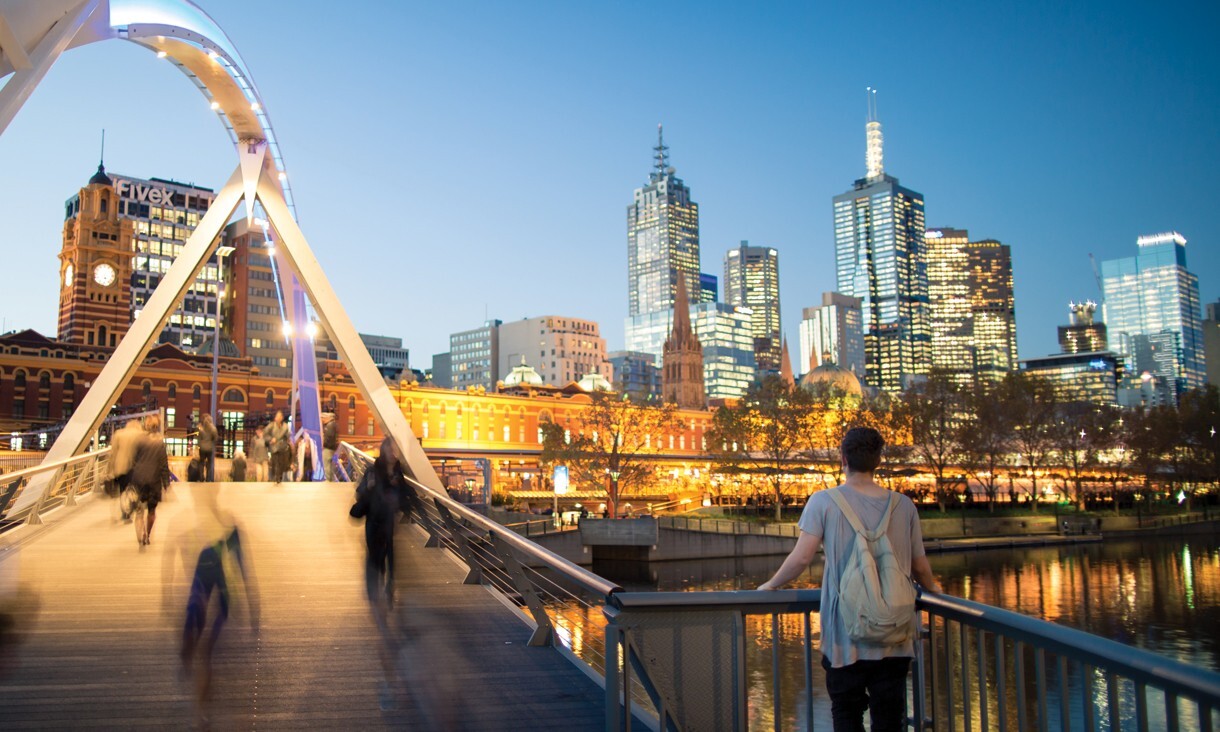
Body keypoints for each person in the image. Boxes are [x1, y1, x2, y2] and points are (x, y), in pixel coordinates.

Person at [759, 427, 939, 732]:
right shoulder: (904, 505)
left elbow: (801, 558)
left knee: (846, 714)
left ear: (843, 458)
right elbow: (920, 566)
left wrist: (770, 586)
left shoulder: (823, 502)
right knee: (890, 719)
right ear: (878, 460)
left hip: (845, 637)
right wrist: (936, 592)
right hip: (896, 634)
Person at [350, 437, 414, 706]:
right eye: (391, 448)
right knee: (376, 563)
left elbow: (410, 497)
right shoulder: (373, 471)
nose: (393, 452)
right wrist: (372, 489)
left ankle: (386, 592)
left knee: (389, 566)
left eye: (395, 449)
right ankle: (377, 590)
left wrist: (405, 504)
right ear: (384, 451)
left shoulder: (399, 473)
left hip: (390, 530)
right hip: (374, 527)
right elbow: (358, 500)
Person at [130, 414, 171, 547]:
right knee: (152, 511)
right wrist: (166, 484)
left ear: (146, 425)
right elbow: (164, 465)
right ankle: (147, 534)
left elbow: (133, 461)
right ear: (157, 426)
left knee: (139, 510)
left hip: (139, 479)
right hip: (154, 481)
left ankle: (140, 530)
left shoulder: (139, 440)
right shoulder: (160, 443)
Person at [108, 419, 145, 520]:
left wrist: (110, 469)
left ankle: (124, 511)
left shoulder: (119, 434)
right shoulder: (142, 435)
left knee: (122, 490)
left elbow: (113, 453)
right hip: (136, 467)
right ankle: (133, 502)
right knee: (135, 488)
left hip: (121, 467)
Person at [265, 411, 290, 485]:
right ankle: (275, 477)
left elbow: (287, 435)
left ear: (282, 418)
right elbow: (265, 434)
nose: (277, 418)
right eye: (276, 416)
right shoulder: (271, 425)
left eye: (279, 416)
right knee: (275, 462)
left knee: (281, 463)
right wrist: (271, 439)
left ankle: (279, 477)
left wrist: (288, 438)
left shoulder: (285, 426)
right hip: (274, 447)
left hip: (282, 447)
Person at [197, 414, 219, 482]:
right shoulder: (213, 429)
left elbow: (199, 439)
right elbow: (215, 438)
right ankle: (208, 478)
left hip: (202, 449)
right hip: (210, 449)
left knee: (201, 463)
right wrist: (212, 443)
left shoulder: (201, 429)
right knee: (209, 464)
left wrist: (200, 445)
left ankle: (201, 477)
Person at [322, 412, 338, 481]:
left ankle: (328, 480)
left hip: (328, 449)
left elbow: (329, 438)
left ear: (327, 418)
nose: (322, 420)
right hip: (331, 448)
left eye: (323, 418)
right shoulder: (333, 425)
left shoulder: (330, 426)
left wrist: (324, 444)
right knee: (330, 466)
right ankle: (331, 480)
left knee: (327, 465)